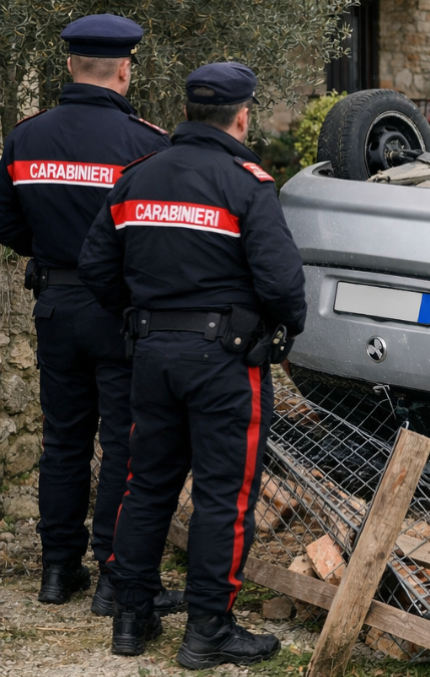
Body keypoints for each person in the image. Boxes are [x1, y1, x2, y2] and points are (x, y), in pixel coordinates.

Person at [78, 62, 307, 666]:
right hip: (224, 363)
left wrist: (143, 317)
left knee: (146, 483)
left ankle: (131, 619)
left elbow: (97, 267)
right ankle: (207, 630)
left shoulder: (137, 177)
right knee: (222, 496)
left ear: (186, 111)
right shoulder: (247, 182)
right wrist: (285, 328)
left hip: (151, 356)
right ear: (242, 115)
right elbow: (282, 283)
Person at [0, 14, 185, 617]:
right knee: (125, 444)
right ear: (125, 68)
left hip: (55, 305)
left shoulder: (26, 137)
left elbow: (6, 222)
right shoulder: (147, 143)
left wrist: (54, 254)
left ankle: (58, 571)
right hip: (120, 311)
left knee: (62, 443)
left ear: (71, 65)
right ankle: (113, 574)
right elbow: (160, 232)